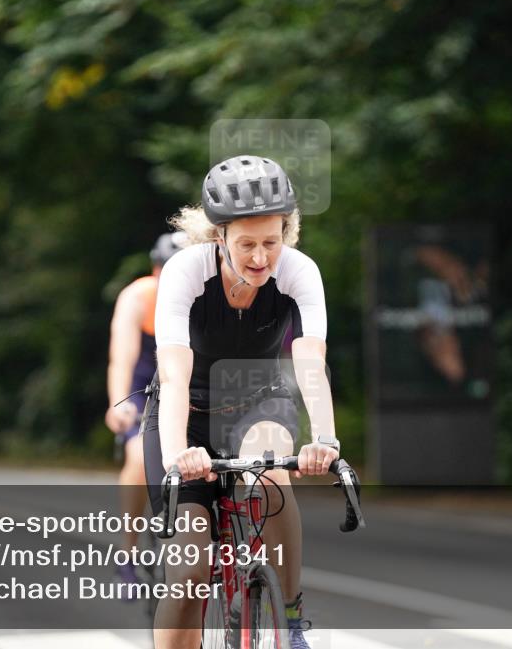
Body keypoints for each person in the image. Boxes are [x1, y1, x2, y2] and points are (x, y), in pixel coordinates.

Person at [143, 155, 339, 649]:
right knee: (189, 571)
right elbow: (173, 371)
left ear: (287, 232)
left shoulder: (299, 272)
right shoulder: (186, 271)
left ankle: (291, 618)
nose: (259, 258)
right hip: (184, 413)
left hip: (258, 402)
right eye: (246, 244)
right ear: (219, 238)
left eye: (271, 242)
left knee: (272, 472)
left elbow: (311, 361)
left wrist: (325, 438)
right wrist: (175, 456)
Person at [105, 231, 187, 589]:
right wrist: (119, 403)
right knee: (139, 459)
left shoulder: (201, 294)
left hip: (185, 383)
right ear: (155, 271)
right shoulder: (137, 298)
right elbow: (120, 359)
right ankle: (129, 551)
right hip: (143, 386)